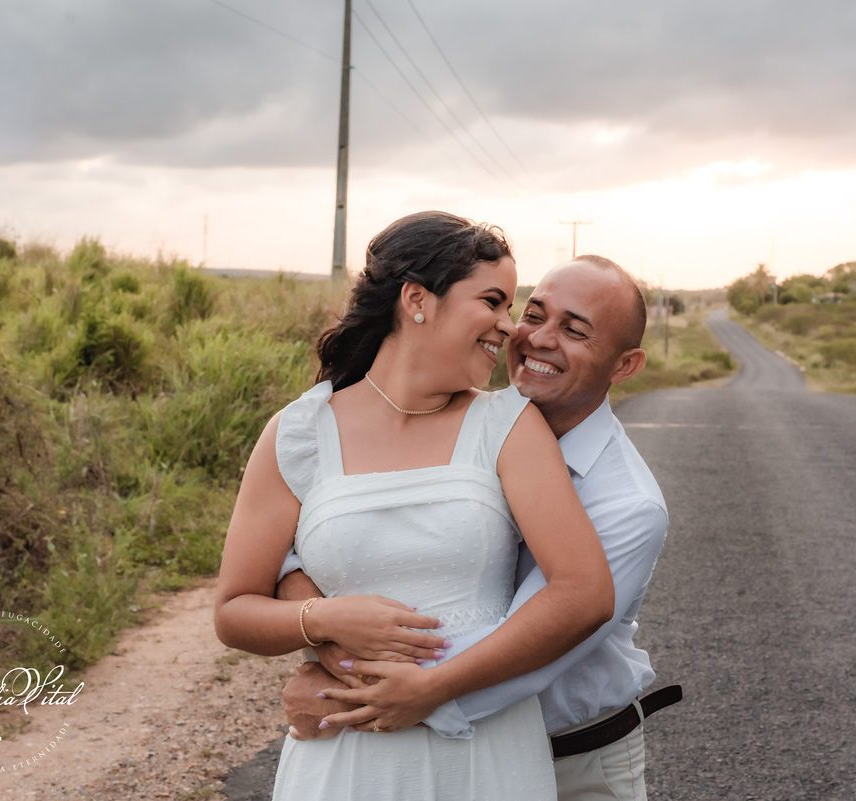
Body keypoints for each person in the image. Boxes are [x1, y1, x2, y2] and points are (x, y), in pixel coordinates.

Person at [213, 211, 615, 801]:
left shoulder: (507, 425)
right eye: (493, 301)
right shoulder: (298, 433)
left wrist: (435, 688)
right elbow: (234, 610)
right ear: (416, 300)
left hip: (483, 755)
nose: (509, 328)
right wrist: (322, 621)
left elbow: (584, 593)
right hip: (346, 759)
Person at [281, 255, 674, 801]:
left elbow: (533, 645)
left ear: (625, 365)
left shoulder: (627, 504)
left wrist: (342, 687)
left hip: (574, 762)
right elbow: (319, 538)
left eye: (574, 330)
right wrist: (329, 637)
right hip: (426, 741)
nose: (536, 338)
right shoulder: (459, 421)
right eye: (533, 314)